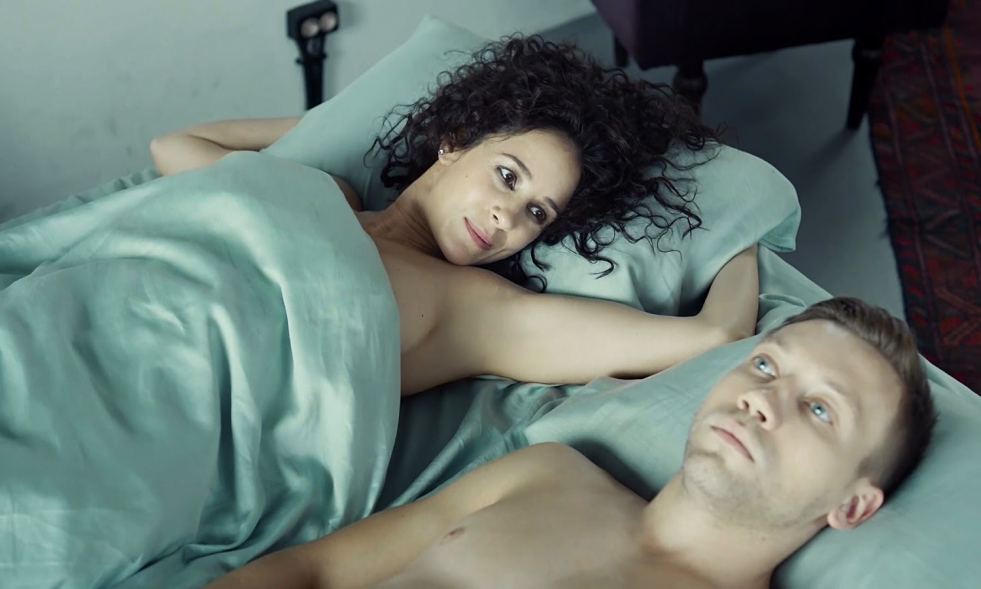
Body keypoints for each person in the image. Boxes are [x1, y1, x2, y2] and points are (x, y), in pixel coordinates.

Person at [151, 36, 759, 396]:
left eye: (536, 212)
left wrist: (746, 232)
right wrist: (339, 121)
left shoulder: (475, 309)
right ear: (454, 140)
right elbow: (175, 147)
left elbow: (715, 336)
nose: (507, 217)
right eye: (507, 176)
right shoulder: (329, 194)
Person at [204, 296, 937, 588]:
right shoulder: (547, 472)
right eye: (766, 366)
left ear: (852, 505)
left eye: (818, 408)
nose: (760, 398)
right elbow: (315, 570)